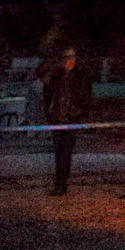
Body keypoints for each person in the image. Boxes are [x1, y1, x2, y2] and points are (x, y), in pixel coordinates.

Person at [42, 45, 93, 196]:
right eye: (68, 57)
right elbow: (47, 94)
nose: (71, 60)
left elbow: (86, 98)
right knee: (59, 153)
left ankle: (62, 183)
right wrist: (49, 113)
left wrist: (78, 114)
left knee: (66, 152)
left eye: (73, 57)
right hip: (57, 118)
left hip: (71, 119)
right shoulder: (56, 76)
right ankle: (59, 182)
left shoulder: (80, 77)